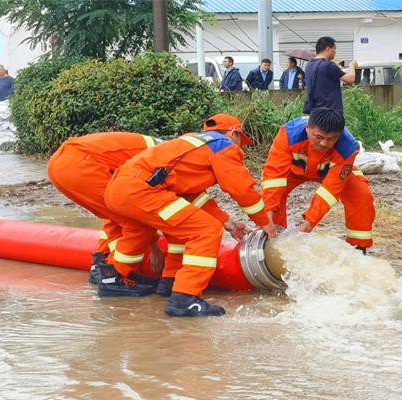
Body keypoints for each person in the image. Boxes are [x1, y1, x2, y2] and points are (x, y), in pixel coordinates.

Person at [100, 113, 277, 317]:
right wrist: (265, 222)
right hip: (141, 190)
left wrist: (228, 223)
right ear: (233, 133)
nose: (240, 148)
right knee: (205, 231)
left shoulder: (191, 144)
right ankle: (185, 297)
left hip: (117, 189)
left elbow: (192, 196)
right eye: (240, 142)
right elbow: (241, 189)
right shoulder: (223, 145)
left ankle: (151, 281)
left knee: (177, 229)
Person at [47, 132, 168, 285]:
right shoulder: (170, 162)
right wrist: (156, 248)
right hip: (81, 164)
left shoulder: (167, 150)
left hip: (60, 164)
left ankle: (101, 263)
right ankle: (116, 276)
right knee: (138, 224)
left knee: (115, 215)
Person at [261, 107, 374, 252]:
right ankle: (272, 240)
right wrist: (267, 217)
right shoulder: (288, 135)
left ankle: (358, 248)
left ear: (339, 135)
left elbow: (330, 191)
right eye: (319, 137)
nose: (324, 144)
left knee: (361, 193)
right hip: (293, 172)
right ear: (307, 128)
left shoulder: (348, 147)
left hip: (329, 173)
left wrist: (308, 225)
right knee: (274, 194)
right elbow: (274, 177)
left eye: (332, 139)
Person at [303, 37, 358, 114]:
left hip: (314, 113)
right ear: (328, 49)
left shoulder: (309, 65)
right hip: (330, 113)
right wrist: (352, 65)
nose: (335, 52)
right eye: (334, 49)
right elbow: (350, 79)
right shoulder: (329, 65)